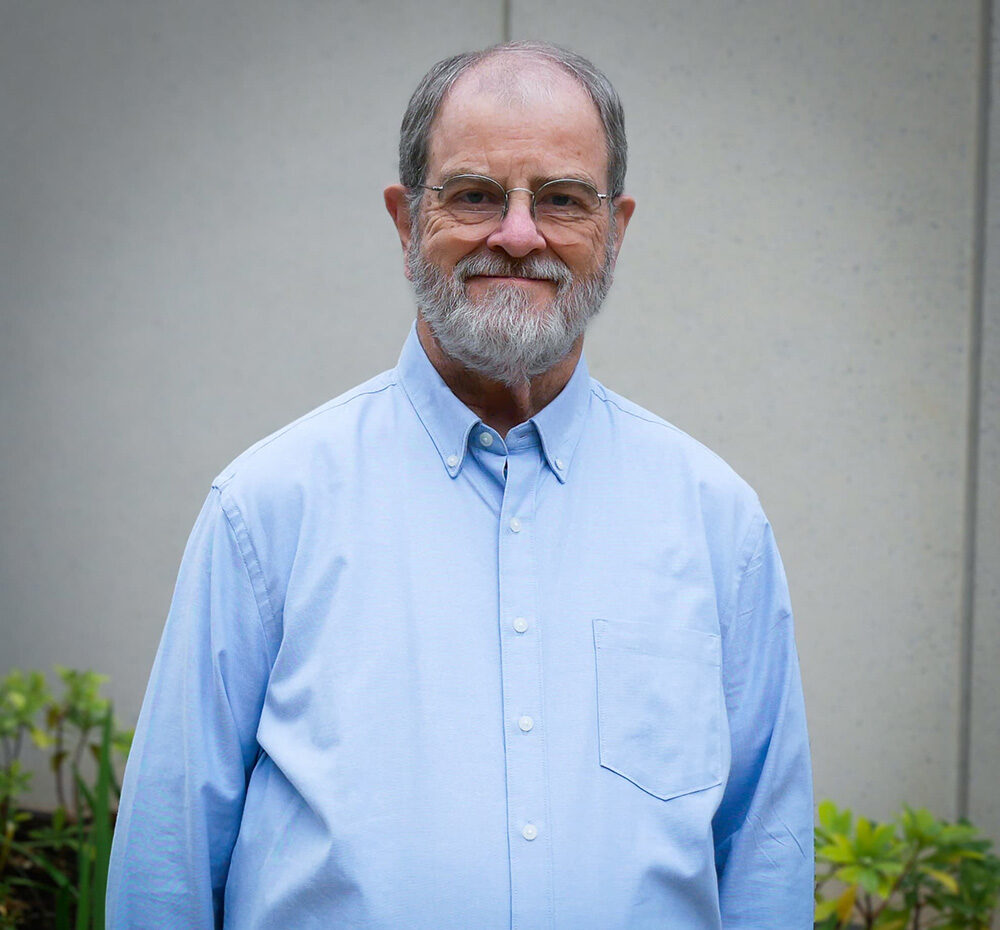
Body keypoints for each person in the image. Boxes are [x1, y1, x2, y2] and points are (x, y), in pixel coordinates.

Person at [107, 41, 813, 929]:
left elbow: (766, 860)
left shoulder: (717, 524)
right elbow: (164, 864)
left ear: (617, 229)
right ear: (406, 220)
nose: (518, 235)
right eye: (474, 194)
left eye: (561, 199)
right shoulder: (268, 508)